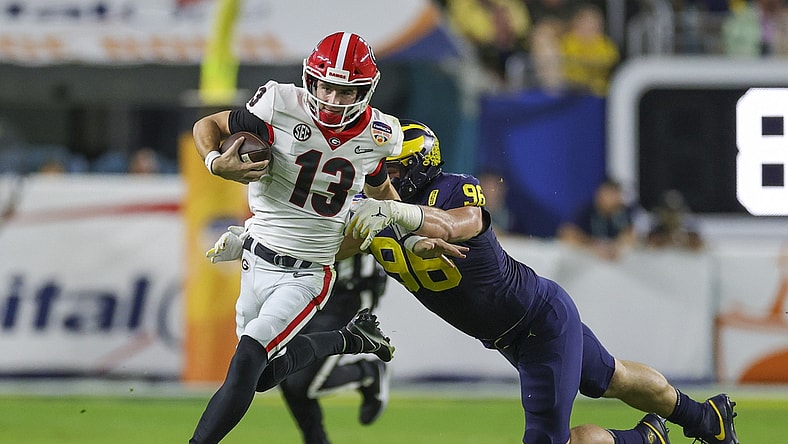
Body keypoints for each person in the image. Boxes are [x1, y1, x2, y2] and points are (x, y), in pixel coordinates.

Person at [343, 119, 739, 444]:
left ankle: (644, 440)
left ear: (421, 166)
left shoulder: (451, 190)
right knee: (613, 378)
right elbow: (326, 248)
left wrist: (400, 217)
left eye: (393, 169)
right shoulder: (377, 210)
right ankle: (705, 418)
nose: (384, 179)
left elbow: (456, 224)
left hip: (537, 322)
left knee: (548, 441)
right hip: (511, 333)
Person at [188, 31, 412, 443]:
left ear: (365, 91)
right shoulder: (278, 104)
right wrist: (216, 161)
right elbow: (210, 124)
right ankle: (351, 339)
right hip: (255, 257)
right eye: (325, 85)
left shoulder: (379, 135)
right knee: (260, 378)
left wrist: (406, 224)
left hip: (307, 273)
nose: (331, 99)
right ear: (310, 79)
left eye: (345, 91)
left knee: (245, 363)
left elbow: (381, 189)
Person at [279, 254, 391, 444]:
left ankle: (368, 372)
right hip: (303, 286)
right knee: (282, 368)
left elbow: (353, 238)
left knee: (303, 382)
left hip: (347, 291)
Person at [557, 178, 637, 260]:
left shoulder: (622, 212)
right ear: (600, 195)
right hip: (588, 257)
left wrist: (617, 246)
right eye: (610, 194)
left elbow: (631, 236)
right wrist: (593, 245)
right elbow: (566, 234)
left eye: (616, 194)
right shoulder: (586, 211)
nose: (613, 199)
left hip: (613, 258)